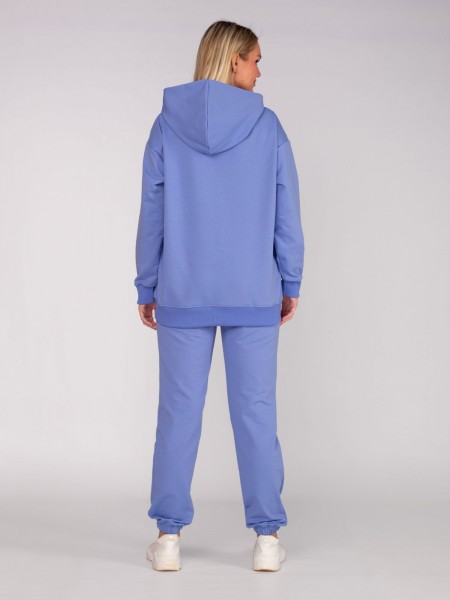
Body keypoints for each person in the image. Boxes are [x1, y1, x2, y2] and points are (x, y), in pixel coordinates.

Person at [134, 20, 305, 572]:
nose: (260, 71)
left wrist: (147, 282)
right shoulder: (267, 126)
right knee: (256, 413)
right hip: (254, 291)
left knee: (177, 414)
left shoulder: (166, 125)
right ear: (233, 61)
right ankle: (267, 540)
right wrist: (290, 280)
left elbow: (153, 210)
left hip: (182, 290)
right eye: (256, 60)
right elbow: (286, 208)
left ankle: (168, 539)